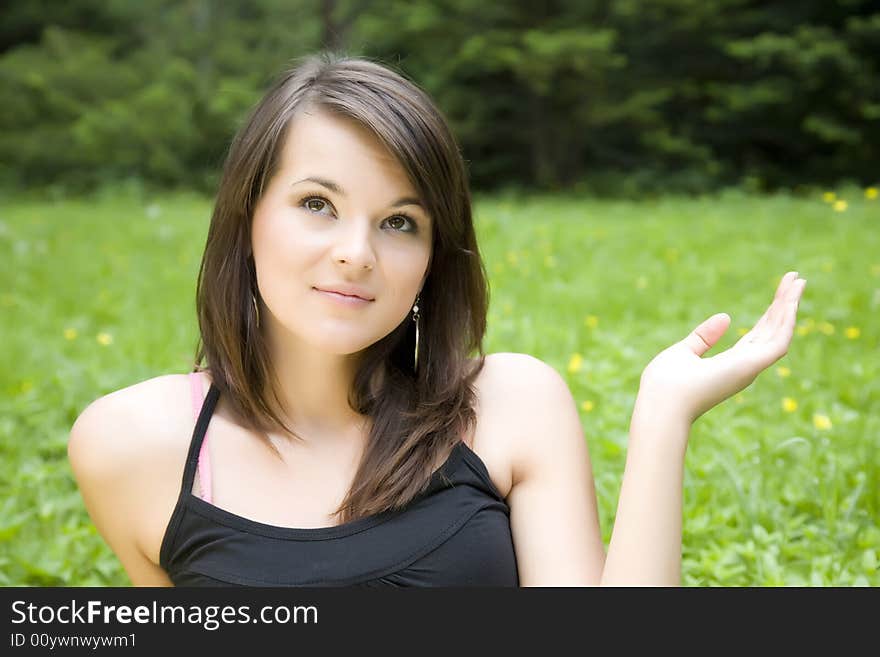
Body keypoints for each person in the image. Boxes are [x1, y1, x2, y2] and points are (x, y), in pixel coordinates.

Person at [67, 52, 806, 587]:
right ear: (246, 217)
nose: (356, 253)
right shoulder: (130, 445)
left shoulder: (509, 406)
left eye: (399, 222)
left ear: (431, 260)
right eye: (317, 204)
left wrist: (663, 416)